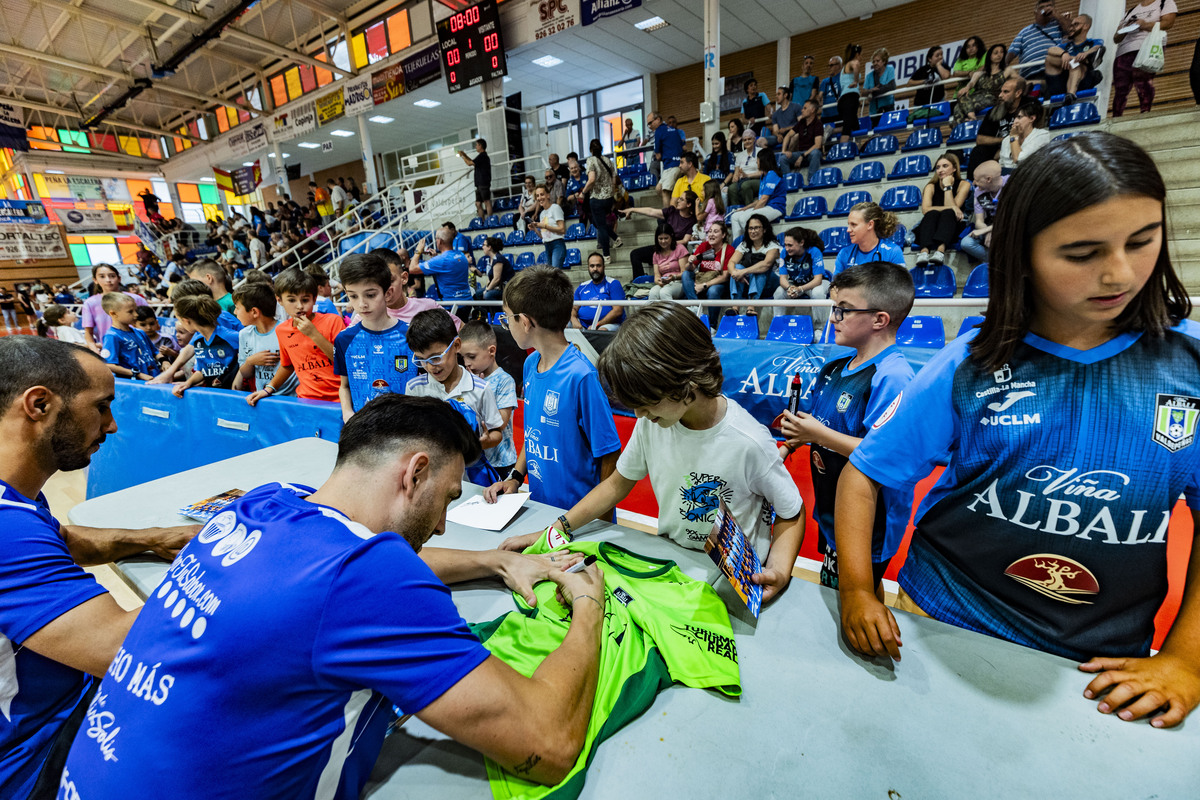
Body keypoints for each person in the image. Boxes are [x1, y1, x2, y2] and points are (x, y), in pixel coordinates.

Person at [57, 393, 608, 799]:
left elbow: (359, 563)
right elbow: (546, 743)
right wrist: (588, 606)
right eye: (446, 498)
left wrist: (497, 558)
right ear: (414, 472)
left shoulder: (265, 505)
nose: (442, 525)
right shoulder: (370, 574)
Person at [840, 132, 1200, 728]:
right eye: (1082, 253)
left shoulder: (1190, 370)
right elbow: (865, 476)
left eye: (1142, 241)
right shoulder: (968, 363)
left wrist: (1186, 658)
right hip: (941, 620)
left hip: (1102, 665)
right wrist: (858, 589)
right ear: (1022, 254)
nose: (1119, 272)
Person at [500, 302, 806, 603]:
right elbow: (617, 484)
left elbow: (792, 511)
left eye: (647, 402)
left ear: (687, 381)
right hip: (677, 569)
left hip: (733, 586)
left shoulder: (749, 441)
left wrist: (778, 569)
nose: (639, 413)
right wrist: (555, 531)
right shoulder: (653, 423)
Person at [0, 336, 195, 799]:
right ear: (40, 404)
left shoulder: (15, 500)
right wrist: (246, 554)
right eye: (102, 406)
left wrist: (154, 539)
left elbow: (56, 542)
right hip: (35, 759)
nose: (110, 425)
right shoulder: (8, 532)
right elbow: (126, 652)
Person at [781, 260, 915, 592]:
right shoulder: (833, 368)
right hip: (832, 507)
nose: (833, 318)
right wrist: (788, 443)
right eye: (834, 307)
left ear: (879, 319)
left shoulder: (892, 376)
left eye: (844, 310)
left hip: (870, 522)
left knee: (861, 594)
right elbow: (816, 425)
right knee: (836, 586)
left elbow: (886, 455)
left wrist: (815, 433)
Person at [483, 266, 622, 513]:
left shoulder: (581, 375)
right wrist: (515, 477)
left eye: (507, 319)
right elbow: (533, 433)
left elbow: (609, 453)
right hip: (543, 510)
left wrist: (599, 515)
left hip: (579, 517)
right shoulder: (529, 364)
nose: (506, 325)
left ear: (524, 322)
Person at [405, 310, 503, 459]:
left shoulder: (480, 389)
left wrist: (482, 443)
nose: (430, 366)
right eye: (421, 360)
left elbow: (496, 432)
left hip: (470, 473)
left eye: (436, 358)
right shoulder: (414, 388)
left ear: (456, 345)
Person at [333, 254, 416, 420]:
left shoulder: (411, 336)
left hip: (407, 427)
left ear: (387, 293)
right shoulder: (344, 340)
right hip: (363, 429)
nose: (362, 304)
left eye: (370, 295)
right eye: (353, 296)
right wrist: (348, 413)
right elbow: (344, 386)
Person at [247, 268, 346, 405]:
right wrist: (269, 389)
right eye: (292, 300)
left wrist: (313, 334)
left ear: (314, 299)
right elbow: (287, 365)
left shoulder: (333, 321)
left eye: (305, 300)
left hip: (340, 399)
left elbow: (344, 362)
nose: (300, 306)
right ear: (280, 301)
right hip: (306, 399)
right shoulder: (282, 330)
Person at [459, 320, 518, 476]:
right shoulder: (466, 379)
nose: (467, 363)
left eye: (471, 356)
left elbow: (500, 423)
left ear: (491, 351)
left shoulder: (504, 380)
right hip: (475, 459)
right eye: (463, 357)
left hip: (501, 461)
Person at [369, 248, 463, 330]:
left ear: (404, 278)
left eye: (390, 281)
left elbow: (463, 330)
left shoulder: (427, 307)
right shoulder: (364, 316)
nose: (384, 289)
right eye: (376, 283)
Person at [1112, 0, 1177, 116]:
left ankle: (1145, 114)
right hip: (1123, 52)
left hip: (1146, 48)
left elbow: (1168, 23)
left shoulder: (1164, 2)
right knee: (1120, 89)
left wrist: (1144, 24)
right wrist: (1127, 28)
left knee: (1143, 84)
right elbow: (1116, 38)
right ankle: (1115, 118)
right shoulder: (1131, 11)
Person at [232, 281, 297, 397]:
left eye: (237, 308)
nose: (234, 312)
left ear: (254, 312)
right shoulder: (244, 334)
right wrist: (250, 361)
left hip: (292, 398)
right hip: (263, 397)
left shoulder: (287, 330)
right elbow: (246, 374)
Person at [170, 295, 239, 395]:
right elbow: (203, 371)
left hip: (235, 393)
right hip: (214, 393)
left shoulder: (230, 336)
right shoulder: (198, 341)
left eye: (180, 320)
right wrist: (187, 383)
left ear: (186, 320)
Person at [622, 194, 697, 279]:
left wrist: (668, 243)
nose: (678, 201)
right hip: (661, 247)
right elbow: (651, 211)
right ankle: (639, 282)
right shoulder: (672, 211)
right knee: (635, 254)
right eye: (679, 199)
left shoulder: (692, 221)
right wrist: (632, 209)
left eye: (681, 199)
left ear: (688, 204)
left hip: (675, 250)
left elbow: (685, 240)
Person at [915, 153, 971, 266]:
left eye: (945, 166)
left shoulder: (964, 184)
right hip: (931, 226)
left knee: (948, 213)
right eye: (938, 167)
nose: (940, 170)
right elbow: (925, 210)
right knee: (931, 214)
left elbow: (953, 210)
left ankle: (940, 252)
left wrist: (947, 186)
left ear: (954, 168)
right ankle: (924, 253)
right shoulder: (930, 186)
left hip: (953, 226)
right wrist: (953, 206)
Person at [968, 76, 1027, 179]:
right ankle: (974, 184)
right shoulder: (994, 111)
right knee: (978, 151)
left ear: (1018, 93)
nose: (1000, 95)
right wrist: (1004, 141)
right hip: (1000, 147)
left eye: (1005, 92)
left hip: (1020, 145)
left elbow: (1031, 134)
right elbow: (980, 139)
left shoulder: (1028, 108)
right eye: (1001, 91)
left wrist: (1005, 147)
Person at [81, 265, 148, 352]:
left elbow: (149, 323)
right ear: (95, 280)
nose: (108, 280)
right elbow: (88, 333)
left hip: (138, 350)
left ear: (119, 278)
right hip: (111, 352)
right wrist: (96, 351)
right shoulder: (90, 303)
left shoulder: (137, 299)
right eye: (102, 276)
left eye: (112, 276)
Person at [99, 293, 160, 382]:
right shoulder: (112, 336)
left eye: (136, 310)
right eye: (130, 312)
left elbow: (155, 352)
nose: (136, 315)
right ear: (113, 314)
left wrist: (164, 361)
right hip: (136, 385)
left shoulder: (140, 332)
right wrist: (137, 373)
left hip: (154, 379)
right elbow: (109, 365)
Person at [728, 213, 781, 316]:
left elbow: (766, 264)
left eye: (756, 228)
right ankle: (735, 307)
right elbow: (731, 262)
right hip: (749, 282)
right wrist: (735, 273)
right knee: (737, 267)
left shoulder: (773, 245)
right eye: (750, 228)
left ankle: (751, 306)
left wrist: (743, 272)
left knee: (759, 270)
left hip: (770, 283)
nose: (753, 231)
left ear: (764, 229)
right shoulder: (744, 244)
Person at [951, 43, 1016, 127]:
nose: (999, 55)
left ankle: (970, 121)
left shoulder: (1007, 71)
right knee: (960, 98)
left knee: (958, 107)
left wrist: (1035, 82)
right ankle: (966, 126)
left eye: (1002, 52)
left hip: (992, 97)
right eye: (996, 53)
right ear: (990, 56)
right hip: (977, 96)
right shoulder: (979, 73)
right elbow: (971, 83)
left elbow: (1020, 80)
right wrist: (966, 88)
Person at [834, 202, 905, 278]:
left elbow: (901, 286)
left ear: (870, 225)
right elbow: (834, 287)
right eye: (849, 224)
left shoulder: (892, 252)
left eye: (853, 225)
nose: (848, 230)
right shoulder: (844, 253)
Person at [1044, 13, 1105, 102]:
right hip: (1063, 75)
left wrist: (1085, 53)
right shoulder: (1067, 45)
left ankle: (1070, 95)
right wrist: (1064, 54)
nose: (1071, 27)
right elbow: (1051, 49)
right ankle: (1061, 93)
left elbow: (1098, 47)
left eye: (1076, 24)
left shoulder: (1092, 42)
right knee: (1049, 59)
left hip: (1082, 76)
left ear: (1086, 26)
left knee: (1075, 64)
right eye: (1071, 25)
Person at [729, 149, 786, 242]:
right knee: (735, 216)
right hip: (766, 206)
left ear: (764, 161)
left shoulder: (772, 174)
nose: (756, 162)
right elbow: (760, 200)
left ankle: (749, 244)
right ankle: (737, 244)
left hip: (775, 208)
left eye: (758, 160)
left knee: (745, 218)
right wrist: (745, 208)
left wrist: (750, 212)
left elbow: (764, 200)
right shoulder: (764, 176)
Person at [1008, 0, 1072, 79]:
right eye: (1042, 7)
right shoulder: (1024, 32)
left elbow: (1072, 32)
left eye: (1049, 6)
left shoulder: (1059, 24)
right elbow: (1011, 53)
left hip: (1057, 71)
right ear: (1035, 13)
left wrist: (1057, 16)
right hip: (1031, 74)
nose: (1046, 9)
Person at [773, 226, 828, 316]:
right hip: (796, 284)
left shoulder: (814, 251)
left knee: (818, 293)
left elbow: (818, 280)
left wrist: (800, 289)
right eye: (785, 245)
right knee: (779, 292)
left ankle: (820, 328)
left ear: (801, 242)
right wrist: (789, 288)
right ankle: (778, 324)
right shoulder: (784, 252)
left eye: (790, 245)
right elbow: (782, 278)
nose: (787, 248)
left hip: (816, 283)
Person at [683, 221, 736, 312]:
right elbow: (689, 268)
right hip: (702, 279)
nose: (711, 234)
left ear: (723, 235)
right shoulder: (704, 246)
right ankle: (695, 306)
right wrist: (690, 262)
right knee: (686, 274)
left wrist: (703, 285)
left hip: (718, 283)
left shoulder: (729, 250)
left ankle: (712, 324)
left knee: (713, 291)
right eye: (710, 231)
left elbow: (725, 277)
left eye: (715, 232)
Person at [961, 160, 1006, 264]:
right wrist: (988, 231)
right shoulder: (978, 191)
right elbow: (979, 221)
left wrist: (990, 230)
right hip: (990, 225)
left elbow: (1014, 219)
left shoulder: (1011, 185)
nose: (974, 183)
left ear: (988, 179)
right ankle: (998, 261)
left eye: (976, 180)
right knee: (966, 242)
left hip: (1010, 227)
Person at [411, 228, 473, 300]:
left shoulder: (440, 260)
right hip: (467, 301)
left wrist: (417, 251)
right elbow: (448, 266)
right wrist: (435, 257)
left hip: (451, 305)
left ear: (439, 241)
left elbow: (412, 269)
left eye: (436, 238)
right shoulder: (462, 255)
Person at [583, 138, 618, 263]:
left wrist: (583, 192)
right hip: (609, 197)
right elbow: (614, 179)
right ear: (601, 148)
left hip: (597, 198)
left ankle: (606, 255)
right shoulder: (608, 160)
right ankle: (616, 238)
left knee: (601, 226)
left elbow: (591, 180)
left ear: (591, 150)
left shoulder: (591, 160)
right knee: (599, 223)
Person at [571, 252, 626, 331]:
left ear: (604, 267)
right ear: (588, 268)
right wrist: (574, 320)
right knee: (564, 325)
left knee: (601, 330)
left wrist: (597, 324)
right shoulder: (582, 286)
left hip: (607, 324)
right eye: (592, 266)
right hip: (583, 325)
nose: (595, 269)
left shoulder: (613, 284)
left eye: (598, 265)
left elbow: (618, 311)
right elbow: (573, 308)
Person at [998, 102, 1051, 174]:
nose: (1015, 121)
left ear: (1032, 118)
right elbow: (1001, 165)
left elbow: (1018, 159)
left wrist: (1013, 137)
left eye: (1019, 117)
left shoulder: (1042, 135)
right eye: (1015, 118)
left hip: (1029, 177)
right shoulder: (1006, 140)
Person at [780, 99, 825, 182]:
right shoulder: (801, 122)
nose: (802, 110)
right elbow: (788, 135)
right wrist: (784, 151)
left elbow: (817, 145)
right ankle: (788, 182)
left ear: (812, 110)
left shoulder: (818, 124)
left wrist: (803, 156)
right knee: (783, 158)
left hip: (810, 154)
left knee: (816, 153)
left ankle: (811, 181)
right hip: (800, 153)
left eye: (805, 108)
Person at [647, 224, 690, 301]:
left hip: (679, 282)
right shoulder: (656, 254)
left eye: (666, 238)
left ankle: (671, 313)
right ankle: (654, 313)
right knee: (653, 292)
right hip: (664, 282)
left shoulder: (680, 248)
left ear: (671, 237)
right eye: (660, 239)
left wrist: (673, 277)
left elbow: (685, 272)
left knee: (664, 292)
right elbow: (657, 275)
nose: (663, 241)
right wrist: (659, 281)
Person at [529, 185, 568, 270]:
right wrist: (535, 228)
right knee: (550, 276)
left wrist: (544, 226)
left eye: (542, 194)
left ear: (548, 195)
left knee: (554, 274)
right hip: (547, 246)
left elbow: (562, 230)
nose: (540, 198)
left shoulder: (555, 208)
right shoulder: (542, 213)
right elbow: (544, 236)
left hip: (557, 245)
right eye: (537, 195)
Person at [651, 113, 684, 206]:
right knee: (658, 189)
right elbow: (683, 147)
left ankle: (669, 218)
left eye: (650, 123)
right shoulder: (675, 131)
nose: (650, 126)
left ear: (658, 120)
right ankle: (674, 207)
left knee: (665, 192)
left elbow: (658, 156)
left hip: (671, 166)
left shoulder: (659, 131)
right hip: (676, 165)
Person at [724, 129, 764, 206]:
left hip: (758, 180)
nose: (747, 141)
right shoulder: (740, 155)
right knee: (732, 188)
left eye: (749, 139)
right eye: (745, 140)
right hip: (742, 180)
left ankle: (749, 209)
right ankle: (736, 210)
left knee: (745, 185)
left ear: (754, 139)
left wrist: (747, 175)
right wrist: (736, 177)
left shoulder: (761, 152)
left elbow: (762, 172)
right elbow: (736, 173)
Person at [457, 138, 493, 219]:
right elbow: (472, 161)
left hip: (484, 182)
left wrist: (462, 156)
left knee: (487, 201)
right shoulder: (481, 157)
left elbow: (469, 163)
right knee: (478, 203)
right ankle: (482, 220)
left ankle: (490, 219)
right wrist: (464, 154)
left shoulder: (483, 156)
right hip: (479, 183)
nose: (476, 147)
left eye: (477, 145)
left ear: (481, 146)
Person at [474, 236, 514, 302]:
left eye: (484, 245)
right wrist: (486, 287)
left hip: (505, 288)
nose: (482, 247)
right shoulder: (490, 259)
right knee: (478, 293)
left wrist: (487, 290)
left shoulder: (498, 259)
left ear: (489, 247)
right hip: (497, 287)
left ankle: (497, 311)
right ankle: (483, 312)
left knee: (487, 295)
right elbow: (490, 278)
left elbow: (496, 279)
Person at [863, 48, 896, 125]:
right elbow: (863, 92)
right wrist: (870, 90)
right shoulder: (869, 76)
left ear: (884, 61)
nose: (875, 63)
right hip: (875, 111)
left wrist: (873, 93)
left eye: (878, 61)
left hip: (888, 107)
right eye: (873, 61)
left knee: (889, 131)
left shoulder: (890, 69)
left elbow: (892, 86)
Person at [837, 45, 863, 142]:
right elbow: (856, 64)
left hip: (845, 100)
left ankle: (858, 151)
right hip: (849, 99)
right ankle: (841, 155)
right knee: (847, 129)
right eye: (861, 55)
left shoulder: (845, 68)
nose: (861, 58)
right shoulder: (853, 62)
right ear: (857, 54)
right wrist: (856, 81)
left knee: (855, 126)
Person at [819, 55, 844, 125]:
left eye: (832, 65)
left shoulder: (843, 78)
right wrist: (818, 101)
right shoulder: (825, 81)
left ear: (839, 65)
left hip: (839, 112)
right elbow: (820, 95)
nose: (829, 68)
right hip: (826, 114)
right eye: (829, 65)